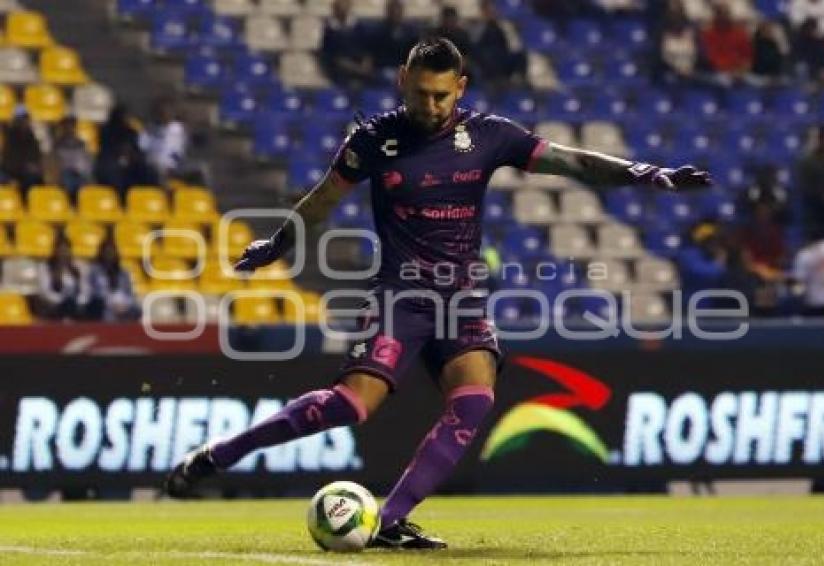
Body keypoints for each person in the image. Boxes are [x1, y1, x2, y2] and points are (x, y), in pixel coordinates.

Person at [165, 38, 711, 549]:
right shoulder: (374, 140)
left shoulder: (490, 135)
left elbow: (572, 162)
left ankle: (390, 520)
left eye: (441, 95)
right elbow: (323, 199)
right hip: (400, 295)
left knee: (475, 399)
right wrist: (279, 242)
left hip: (462, 297)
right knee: (352, 406)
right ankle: (220, 453)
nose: (430, 105)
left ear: (461, 87)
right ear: (403, 80)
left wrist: (646, 173)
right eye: (420, 92)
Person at [34, 234, 93, 321]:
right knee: (66, 303)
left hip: (75, 304)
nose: (63, 253)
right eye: (60, 250)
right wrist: (61, 300)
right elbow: (45, 291)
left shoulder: (78, 267)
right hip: (55, 304)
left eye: (66, 250)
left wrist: (79, 301)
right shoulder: (46, 267)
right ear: (55, 251)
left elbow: (85, 289)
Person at [88, 235, 141, 322]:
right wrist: (110, 303)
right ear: (102, 253)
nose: (109, 255)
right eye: (107, 252)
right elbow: (92, 293)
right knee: (101, 309)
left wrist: (125, 304)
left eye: (111, 252)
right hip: (104, 303)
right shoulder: (94, 271)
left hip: (122, 304)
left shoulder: (123, 273)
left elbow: (129, 294)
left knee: (137, 309)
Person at [47, 115, 93, 201]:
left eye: (72, 126)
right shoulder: (57, 144)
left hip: (80, 174)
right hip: (65, 175)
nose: (70, 129)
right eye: (67, 126)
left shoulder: (81, 143)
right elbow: (55, 164)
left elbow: (86, 163)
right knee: (67, 181)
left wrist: (87, 175)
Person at [1, 106, 44, 195]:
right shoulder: (10, 136)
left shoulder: (31, 137)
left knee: (36, 179)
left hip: (27, 172)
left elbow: (36, 156)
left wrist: (34, 166)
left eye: (25, 119)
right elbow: (9, 159)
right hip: (12, 171)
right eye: (21, 120)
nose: (23, 122)